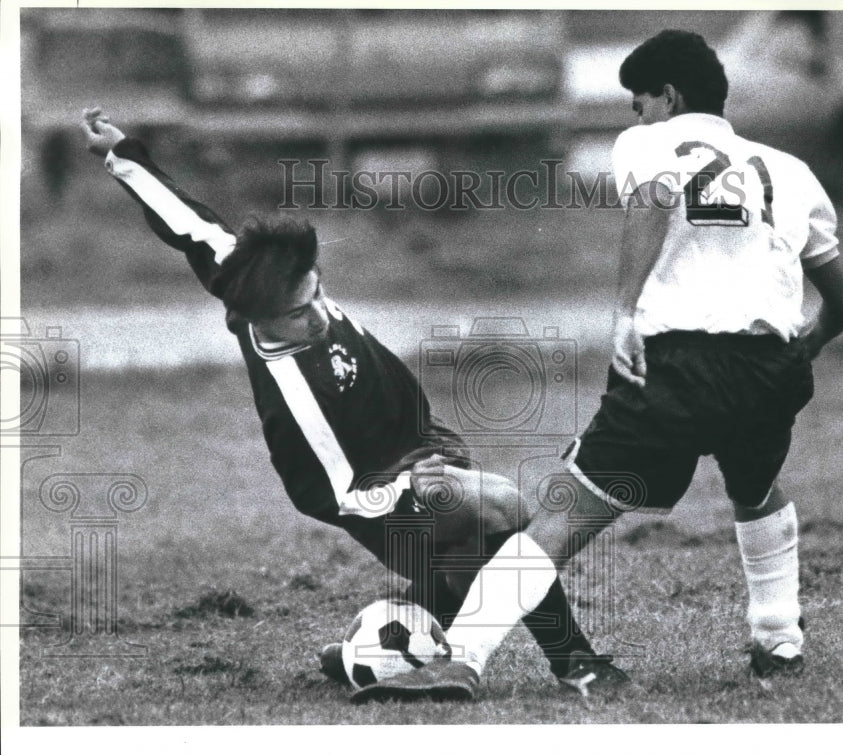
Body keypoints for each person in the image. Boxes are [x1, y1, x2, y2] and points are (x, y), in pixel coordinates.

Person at [355, 29, 843, 702]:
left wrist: (625, 311)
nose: (635, 116)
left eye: (639, 101)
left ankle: (464, 658)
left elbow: (652, 201)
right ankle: (778, 641)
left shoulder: (651, 142)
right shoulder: (791, 171)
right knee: (755, 491)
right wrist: (806, 346)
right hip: (770, 367)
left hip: (676, 363)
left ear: (668, 96)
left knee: (561, 517)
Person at [79, 108, 629, 699]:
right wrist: (414, 486)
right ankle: (574, 661)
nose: (319, 316)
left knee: (473, 561)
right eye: (298, 314)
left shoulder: (256, 271)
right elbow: (332, 494)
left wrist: (123, 156)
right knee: (505, 521)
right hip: (380, 492)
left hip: (424, 446)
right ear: (255, 319)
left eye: (316, 293)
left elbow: (190, 224)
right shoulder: (295, 399)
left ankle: (372, 652)